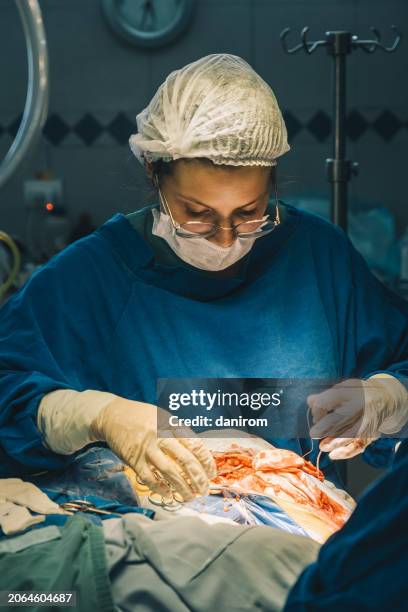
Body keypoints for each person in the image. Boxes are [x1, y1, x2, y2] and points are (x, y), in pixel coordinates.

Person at [0, 54, 407, 496]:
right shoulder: (89, 278)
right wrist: (96, 415)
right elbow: (9, 391)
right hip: (156, 550)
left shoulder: (318, 258)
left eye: (250, 213)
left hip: (296, 546)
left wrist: (386, 398)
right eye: (197, 214)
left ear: (272, 182)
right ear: (153, 172)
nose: (225, 239)